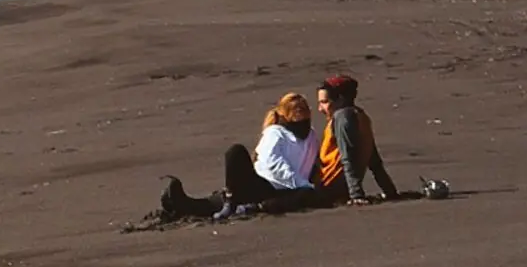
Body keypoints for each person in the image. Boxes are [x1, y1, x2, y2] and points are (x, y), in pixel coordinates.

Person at [160, 91, 323, 223]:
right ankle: (188, 202)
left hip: (284, 192)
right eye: (297, 111)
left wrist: (308, 184)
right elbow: (274, 165)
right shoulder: (275, 133)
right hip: (266, 185)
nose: (301, 115)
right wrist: (302, 184)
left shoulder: (311, 136)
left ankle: (219, 203)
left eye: (304, 111)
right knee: (235, 153)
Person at [313, 72, 398, 204]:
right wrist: (390, 191)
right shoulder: (361, 116)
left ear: (340, 99)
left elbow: (347, 158)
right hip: (338, 187)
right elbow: (374, 160)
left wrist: (356, 195)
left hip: (328, 187)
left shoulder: (342, 118)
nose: (320, 109)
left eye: (324, 102)